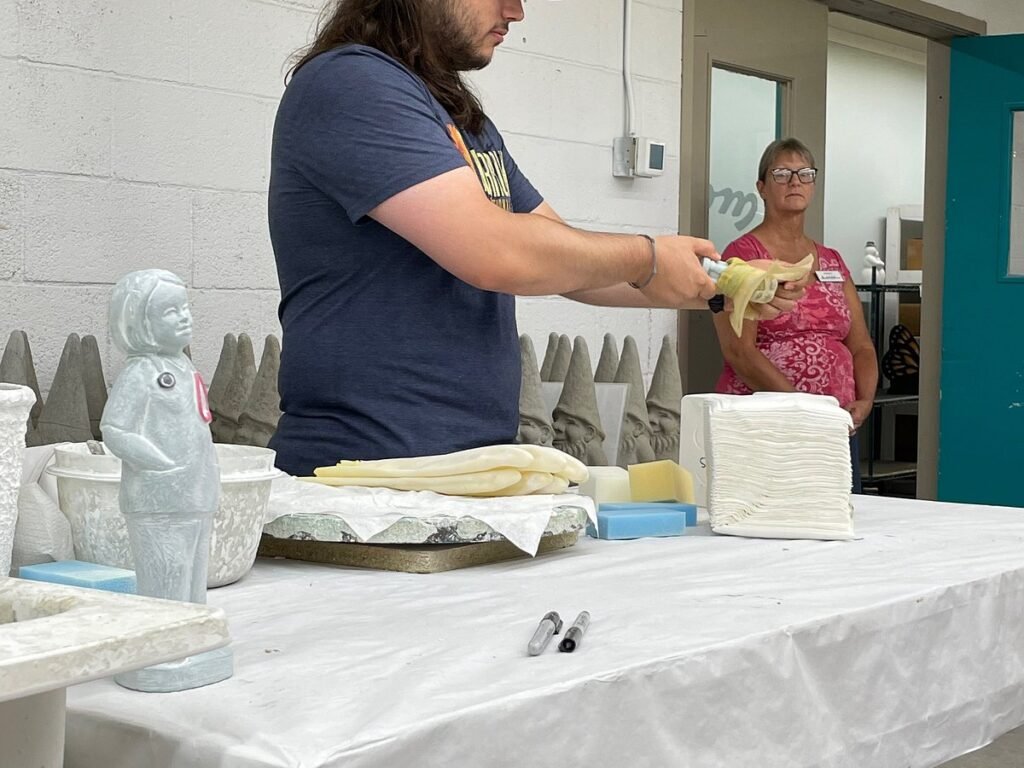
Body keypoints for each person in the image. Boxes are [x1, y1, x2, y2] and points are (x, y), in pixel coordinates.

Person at [267, 0, 803, 476]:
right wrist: (647, 257)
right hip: (361, 474)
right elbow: (496, 252)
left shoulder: (461, 119)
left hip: (468, 466)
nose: (516, 12)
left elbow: (565, 259)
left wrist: (718, 285)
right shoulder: (351, 82)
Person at [712, 138, 877, 492]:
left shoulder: (832, 260)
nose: (795, 182)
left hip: (834, 425)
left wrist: (865, 400)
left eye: (804, 174)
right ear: (762, 187)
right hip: (770, 423)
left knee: (836, 513)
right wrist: (803, 408)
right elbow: (739, 351)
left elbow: (861, 345)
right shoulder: (743, 255)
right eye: (782, 174)